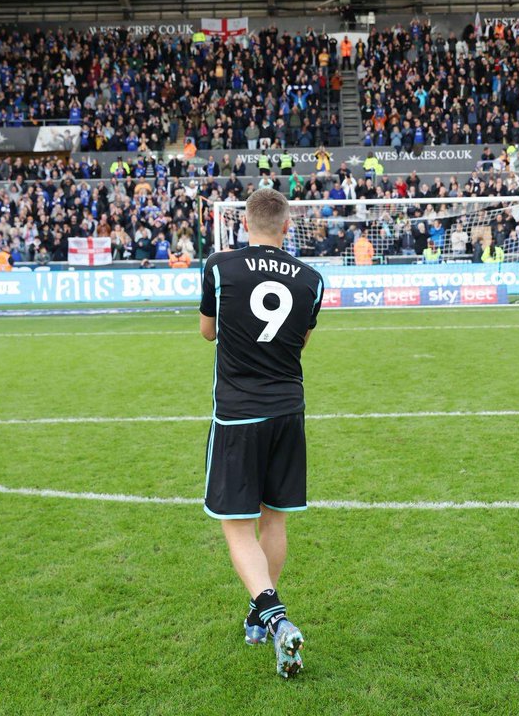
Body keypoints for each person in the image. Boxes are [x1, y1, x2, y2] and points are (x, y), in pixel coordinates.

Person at [198, 188, 322, 679]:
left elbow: (208, 332)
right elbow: (301, 342)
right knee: (275, 520)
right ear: (287, 227)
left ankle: (275, 616)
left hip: (237, 414)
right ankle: (258, 612)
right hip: (288, 410)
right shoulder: (311, 279)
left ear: (244, 224)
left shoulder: (219, 266)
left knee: (236, 526)